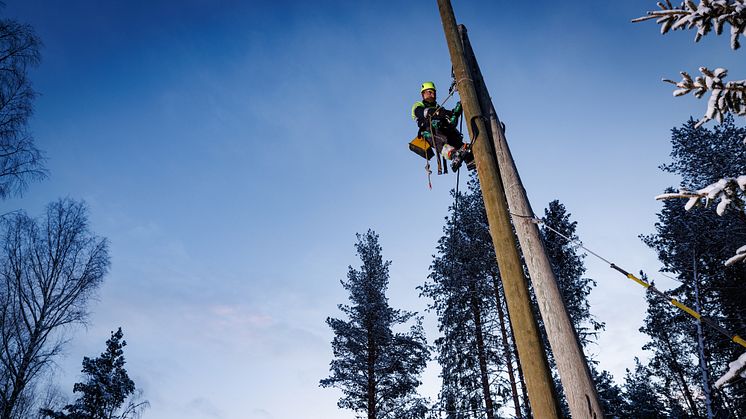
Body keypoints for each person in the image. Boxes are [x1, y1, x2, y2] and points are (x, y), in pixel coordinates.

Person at [410, 81, 473, 172]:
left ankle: (469, 158)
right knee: (438, 138)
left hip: (443, 130)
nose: (433, 94)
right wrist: (436, 114)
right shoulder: (418, 105)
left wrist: (455, 113)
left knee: (451, 131)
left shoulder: (438, 107)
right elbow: (422, 112)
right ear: (423, 94)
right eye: (429, 92)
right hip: (429, 131)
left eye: (434, 92)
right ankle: (453, 154)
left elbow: (449, 117)